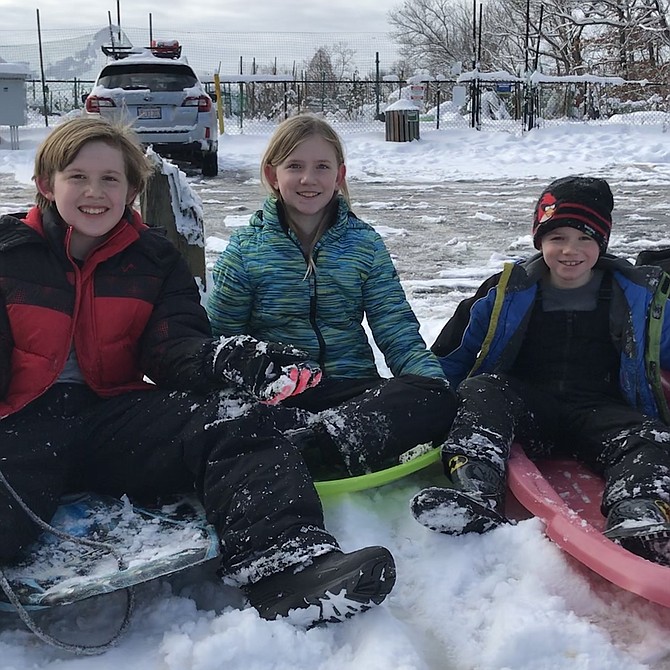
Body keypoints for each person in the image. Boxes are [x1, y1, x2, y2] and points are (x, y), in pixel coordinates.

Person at [0, 115, 396, 626]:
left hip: (110, 416)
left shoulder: (153, 258)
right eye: (77, 176)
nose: (94, 191)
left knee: (233, 417)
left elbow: (173, 346)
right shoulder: (9, 254)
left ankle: (286, 565)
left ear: (132, 190)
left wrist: (224, 357)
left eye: (110, 179)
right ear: (45, 185)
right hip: (21, 423)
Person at [410, 175, 670, 566]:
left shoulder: (637, 297)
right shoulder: (506, 293)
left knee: (651, 436)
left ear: (602, 242)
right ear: (539, 240)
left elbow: (662, 350)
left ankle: (639, 510)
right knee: (483, 389)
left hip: (600, 411)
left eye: (585, 238)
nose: (571, 250)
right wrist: (422, 406)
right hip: (528, 407)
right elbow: (452, 355)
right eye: (557, 238)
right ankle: (477, 487)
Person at [206, 114, 457, 477]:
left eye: (322, 166)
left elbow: (396, 328)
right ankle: (323, 447)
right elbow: (221, 338)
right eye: (295, 166)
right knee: (234, 418)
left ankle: (313, 445)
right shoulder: (246, 250)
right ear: (272, 174)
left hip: (354, 394)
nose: (309, 179)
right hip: (279, 394)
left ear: (339, 175)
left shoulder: (364, 244)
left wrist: (433, 387)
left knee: (437, 398)